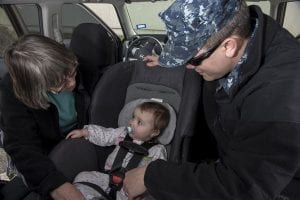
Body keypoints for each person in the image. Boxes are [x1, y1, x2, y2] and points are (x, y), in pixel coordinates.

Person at [123, 0, 300, 199]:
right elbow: (204, 51)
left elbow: (243, 187)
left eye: (192, 60)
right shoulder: (241, 36)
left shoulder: (282, 93)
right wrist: (169, 60)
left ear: (229, 46)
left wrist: (151, 176)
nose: (188, 66)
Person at [0, 34, 97, 199]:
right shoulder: (13, 90)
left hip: (82, 137)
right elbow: (22, 144)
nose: (72, 83)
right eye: (59, 84)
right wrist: (54, 184)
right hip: (45, 149)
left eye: (71, 73)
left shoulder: (79, 65)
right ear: (35, 87)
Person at [66, 101, 170, 200]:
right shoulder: (123, 133)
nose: (132, 123)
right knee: (82, 176)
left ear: (154, 132)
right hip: (107, 178)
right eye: (133, 117)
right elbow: (106, 134)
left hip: (130, 188)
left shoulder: (157, 150)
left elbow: (156, 174)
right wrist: (86, 132)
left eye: (139, 122)